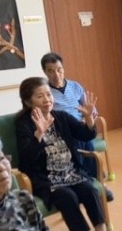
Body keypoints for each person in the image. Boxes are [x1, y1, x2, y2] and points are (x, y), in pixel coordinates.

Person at [15, 77, 122, 231]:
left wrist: (89, 118)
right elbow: (26, 158)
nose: (47, 99)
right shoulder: (24, 124)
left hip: (71, 172)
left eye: (48, 94)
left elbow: (86, 134)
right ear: (28, 101)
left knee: (90, 190)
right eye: (40, 96)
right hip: (47, 179)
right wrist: (39, 133)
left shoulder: (60, 116)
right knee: (68, 197)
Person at [41, 52, 114, 202]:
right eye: (51, 71)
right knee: (82, 144)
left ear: (63, 69)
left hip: (80, 126)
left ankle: (99, 182)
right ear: (45, 72)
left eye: (59, 69)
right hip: (62, 131)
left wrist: (89, 115)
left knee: (86, 139)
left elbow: (90, 108)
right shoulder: (46, 92)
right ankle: (91, 180)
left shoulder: (75, 86)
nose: (56, 75)